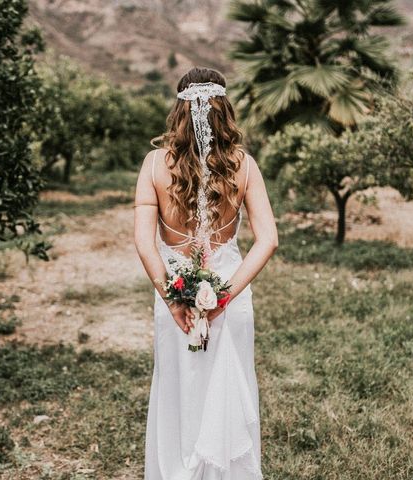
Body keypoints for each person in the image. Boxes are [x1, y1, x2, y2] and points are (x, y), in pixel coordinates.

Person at [134, 66, 278, 480]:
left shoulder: (154, 165)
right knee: (227, 396)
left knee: (179, 394)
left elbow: (145, 243)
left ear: (179, 112)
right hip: (229, 298)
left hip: (175, 299)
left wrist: (172, 297)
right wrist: (223, 296)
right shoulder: (244, 165)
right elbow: (267, 239)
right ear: (224, 110)